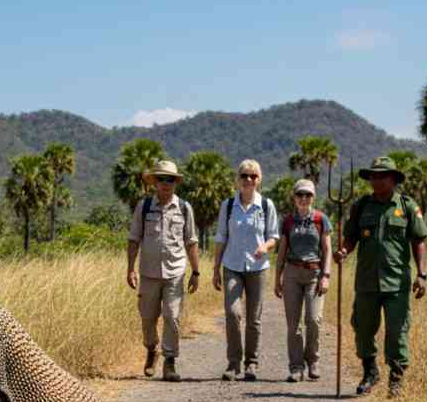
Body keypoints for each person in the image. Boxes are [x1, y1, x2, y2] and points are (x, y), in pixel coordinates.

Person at [334, 155, 427, 398]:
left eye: (382, 176)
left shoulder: (407, 206)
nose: (376, 180)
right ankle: (370, 372)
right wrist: (344, 251)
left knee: (397, 333)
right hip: (366, 282)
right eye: (373, 176)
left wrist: (422, 274)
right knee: (363, 329)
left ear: (393, 179)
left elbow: (419, 241)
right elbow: (351, 237)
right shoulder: (361, 206)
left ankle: (396, 379)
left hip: (396, 283)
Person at [127, 160, 200, 382]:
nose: (166, 183)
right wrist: (130, 269)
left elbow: (191, 241)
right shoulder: (144, 207)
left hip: (175, 272)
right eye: (161, 179)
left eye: (170, 179)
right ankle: (152, 349)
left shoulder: (184, 208)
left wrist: (196, 272)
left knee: (172, 316)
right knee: (147, 317)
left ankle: (170, 362)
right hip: (148, 272)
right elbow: (134, 239)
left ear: (175, 183)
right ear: (155, 183)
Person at [211, 159, 279, 381]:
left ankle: (251, 363)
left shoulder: (266, 205)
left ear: (259, 179)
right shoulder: (228, 205)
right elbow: (221, 237)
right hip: (232, 265)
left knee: (254, 318)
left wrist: (265, 246)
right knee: (233, 314)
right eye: (244, 176)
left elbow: (274, 236)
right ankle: (233, 363)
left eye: (253, 176)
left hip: (258, 268)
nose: (248, 179)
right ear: (238, 179)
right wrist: (215, 268)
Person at [273, 179, 332, 382]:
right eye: (300, 195)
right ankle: (296, 366)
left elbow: (327, 250)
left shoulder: (321, 219)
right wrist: (277, 278)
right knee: (293, 323)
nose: (303, 198)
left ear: (313, 197)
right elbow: (281, 252)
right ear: (294, 197)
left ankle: (313, 360)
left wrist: (326, 276)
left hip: (314, 274)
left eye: (308, 195)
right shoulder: (288, 221)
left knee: (313, 320)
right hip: (292, 273)